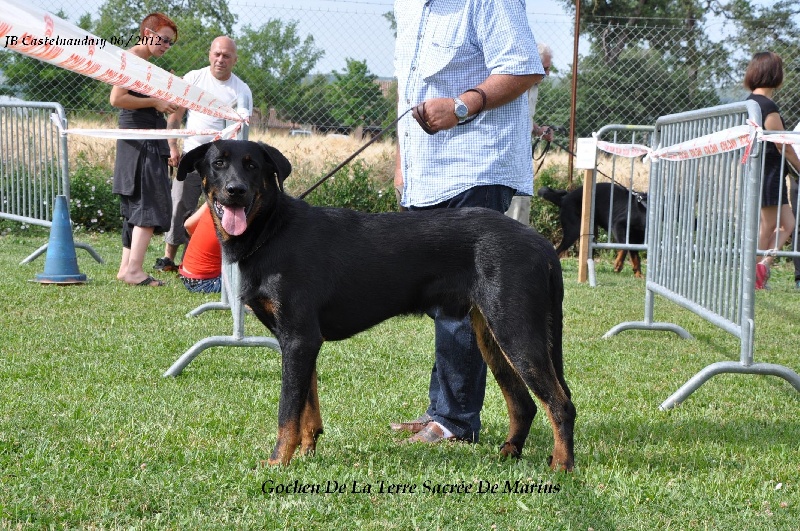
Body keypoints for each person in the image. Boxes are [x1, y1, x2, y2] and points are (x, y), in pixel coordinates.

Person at [390, 0, 544, 444]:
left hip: (477, 163)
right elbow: (409, 89)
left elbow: (523, 68)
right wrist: (404, 161)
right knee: (444, 299)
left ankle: (455, 421)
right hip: (427, 170)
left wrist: (461, 106)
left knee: (462, 297)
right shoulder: (408, 6)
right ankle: (443, 409)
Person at [154, 36, 253, 272]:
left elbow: (243, 126)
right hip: (193, 155)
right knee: (179, 204)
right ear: (210, 54)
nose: (221, 59)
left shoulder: (242, 90)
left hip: (224, 167)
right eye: (217, 54)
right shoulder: (193, 79)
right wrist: (173, 146)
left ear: (235, 60)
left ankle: (212, 259)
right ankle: (169, 256)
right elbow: (175, 117)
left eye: (226, 55)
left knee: (222, 209)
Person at [111, 13, 179, 287]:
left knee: (137, 201)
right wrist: (155, 102)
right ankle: (134, 270)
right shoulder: (132, 59)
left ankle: (126, 268)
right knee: (149, 200)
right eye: (163, 40)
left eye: (170, 43)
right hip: (141, 139)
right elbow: (117, 98)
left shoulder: (145, 63)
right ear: (147, 33)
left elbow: (148, 99)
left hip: (144, 135)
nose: (166, 46)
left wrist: (163, 94)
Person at [744, 51, 800, 289]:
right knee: (768, 226)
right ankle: (752, 277)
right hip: (768, 174)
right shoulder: (768, 106)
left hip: (761, 172)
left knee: (788, 224)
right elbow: (783, 145)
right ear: (775, 74)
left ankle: (762, 266)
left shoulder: (748, 102)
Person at [506, 42, 554, 226]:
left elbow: (524, 118)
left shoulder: (534, 86)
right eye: (545, 68)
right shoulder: (516, 85)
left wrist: (538, 130)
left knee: (522, 201)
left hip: (522, 152)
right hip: (510, 154)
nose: (548, 73)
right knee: (514, 203)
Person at [177, 202, 222, 293]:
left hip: (187, 276)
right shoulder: (235, 214)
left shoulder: (213, 200)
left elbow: (188, 225)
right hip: (207, 282)